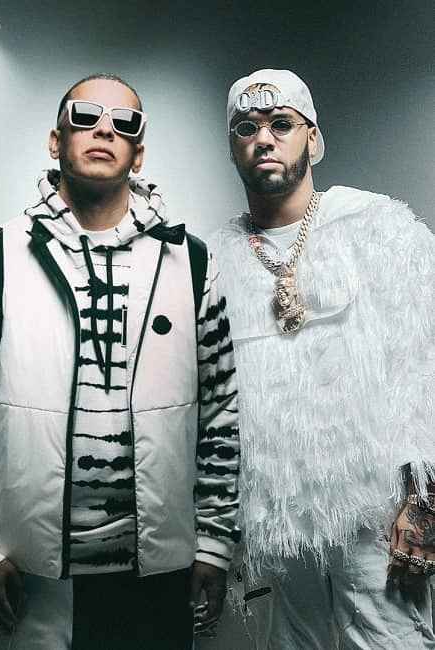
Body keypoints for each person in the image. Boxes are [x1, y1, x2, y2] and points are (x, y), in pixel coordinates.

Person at [0, 73, 240, 649]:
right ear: (56, 141)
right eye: (84, 116)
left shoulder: (192, 263)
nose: (104, 129)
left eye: (124, 122)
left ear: (138, 154)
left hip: (157, 574)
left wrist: (215, 544)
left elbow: (221, 413)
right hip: (28, 572)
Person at [208, 68, 435, 648]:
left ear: (313, 138)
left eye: (281, 124)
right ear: (231, 147)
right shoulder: (215, 262)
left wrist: (424, 501)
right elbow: (209, 401)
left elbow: (424, 365)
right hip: (276, 527)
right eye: (246, 128)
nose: (264, 138)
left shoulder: (378, 227)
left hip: (375, 516)